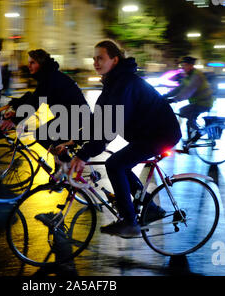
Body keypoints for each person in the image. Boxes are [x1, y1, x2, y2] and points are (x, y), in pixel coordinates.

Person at [69, 40, 182, 238]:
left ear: (115, 59)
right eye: (94, 58)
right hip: (145, 133)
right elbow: (98, 120)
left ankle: (129, 222)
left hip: (160, 133)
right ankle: (150, 207)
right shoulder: (113, 81)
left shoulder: (124, 84)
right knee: (121, 164)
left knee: (115, 164)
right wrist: (75, 140)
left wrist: (83, 154)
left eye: (100, 58)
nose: (96, 62)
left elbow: (108, 129)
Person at [0, 49, 89, 156]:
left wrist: (15, 119)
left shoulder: (50, 78)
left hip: (76, 116)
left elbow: (35, 102)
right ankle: (64, 163)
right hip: (70, 115)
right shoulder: (48, 76)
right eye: (28, 63)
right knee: (48, 139)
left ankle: (68, 163)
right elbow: (34, 97)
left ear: (41, 64)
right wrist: (16, 112)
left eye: (32, 63)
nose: (29, 66)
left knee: (41, 135)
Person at [163, 56, 214, 144]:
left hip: (205, 102)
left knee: (184, 112)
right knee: (188, 118)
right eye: (182, 65)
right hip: (197, 102)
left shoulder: (196, 76)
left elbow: (188, 91)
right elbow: (180, 88)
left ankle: (200, 132)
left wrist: (174, 100)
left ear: (191, 66)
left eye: (185, 65)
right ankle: (190, 142)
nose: (183, 67)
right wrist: (166, 96)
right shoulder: (188, 76)